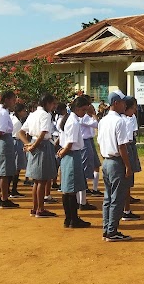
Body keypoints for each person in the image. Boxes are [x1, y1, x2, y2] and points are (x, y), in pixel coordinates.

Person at [97, 90, 133, 242]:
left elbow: (99, 142)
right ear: (116, 103)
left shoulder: (103, 120)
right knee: (117, 198)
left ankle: (107, 228)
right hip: (116, 162)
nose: (125, 105)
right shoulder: (119, 121)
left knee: (108, 197)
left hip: (106, 161)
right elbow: (122, 146)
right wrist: (128, 166)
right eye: (123, 102)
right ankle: (112, 231)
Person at [19, 94, 58, 218]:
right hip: (42, 146)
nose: (54, 106)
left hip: (35, 144)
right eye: (52, 104)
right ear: (47, 103)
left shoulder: (33, 114)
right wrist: (33, 146)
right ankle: (40, 209)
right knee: (42, 179)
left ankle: (35, 207)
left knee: (37, 180)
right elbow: (43, 133)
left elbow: (20, 132)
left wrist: (29, 144)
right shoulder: (45, 115)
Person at [57, 96, 92, 228]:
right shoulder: (73, 121)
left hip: (68, 155)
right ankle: (73, 219)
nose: (84, 113)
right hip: (71, 155)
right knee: (71, 189)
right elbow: (70, 142)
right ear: (77, 109)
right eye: (83, 110)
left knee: (67, 189)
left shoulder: (69, 119)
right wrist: (63, 152)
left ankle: (69, 218)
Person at [0, 91, 20, 209]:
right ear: (7, 99)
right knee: (4, 172)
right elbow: (0, 131)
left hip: (0, 142)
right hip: (4, 141)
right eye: (13, 100)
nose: (14, 102)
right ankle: (4, 199)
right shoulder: (3, 113)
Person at [121, 96, 142, 221]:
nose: (135, 111)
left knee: (127, 181)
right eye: (133, 108)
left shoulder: (125, 118)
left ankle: (126, 208)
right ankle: (126, 210)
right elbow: (128, 138)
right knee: (127, 180)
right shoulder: (126, 120)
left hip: (128, 146)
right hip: (127, 147)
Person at [81, 99, 103, 199]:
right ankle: (84, 191)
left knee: (96, 165)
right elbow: (97, 125)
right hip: (85, 142)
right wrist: (94, 114)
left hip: (90, 140)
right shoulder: (84, 117)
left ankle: (94, 189)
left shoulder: (87, 117)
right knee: (85, 166)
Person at [9, 103, 28, 198]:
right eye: (24, 110)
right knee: (17, 167)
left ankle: (11, 189)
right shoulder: (17, 122)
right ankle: (13, 190)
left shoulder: (13, 118)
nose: (25, 112)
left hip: (13, 141)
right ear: (19, 112)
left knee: (15, 167)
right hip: (16, 142)